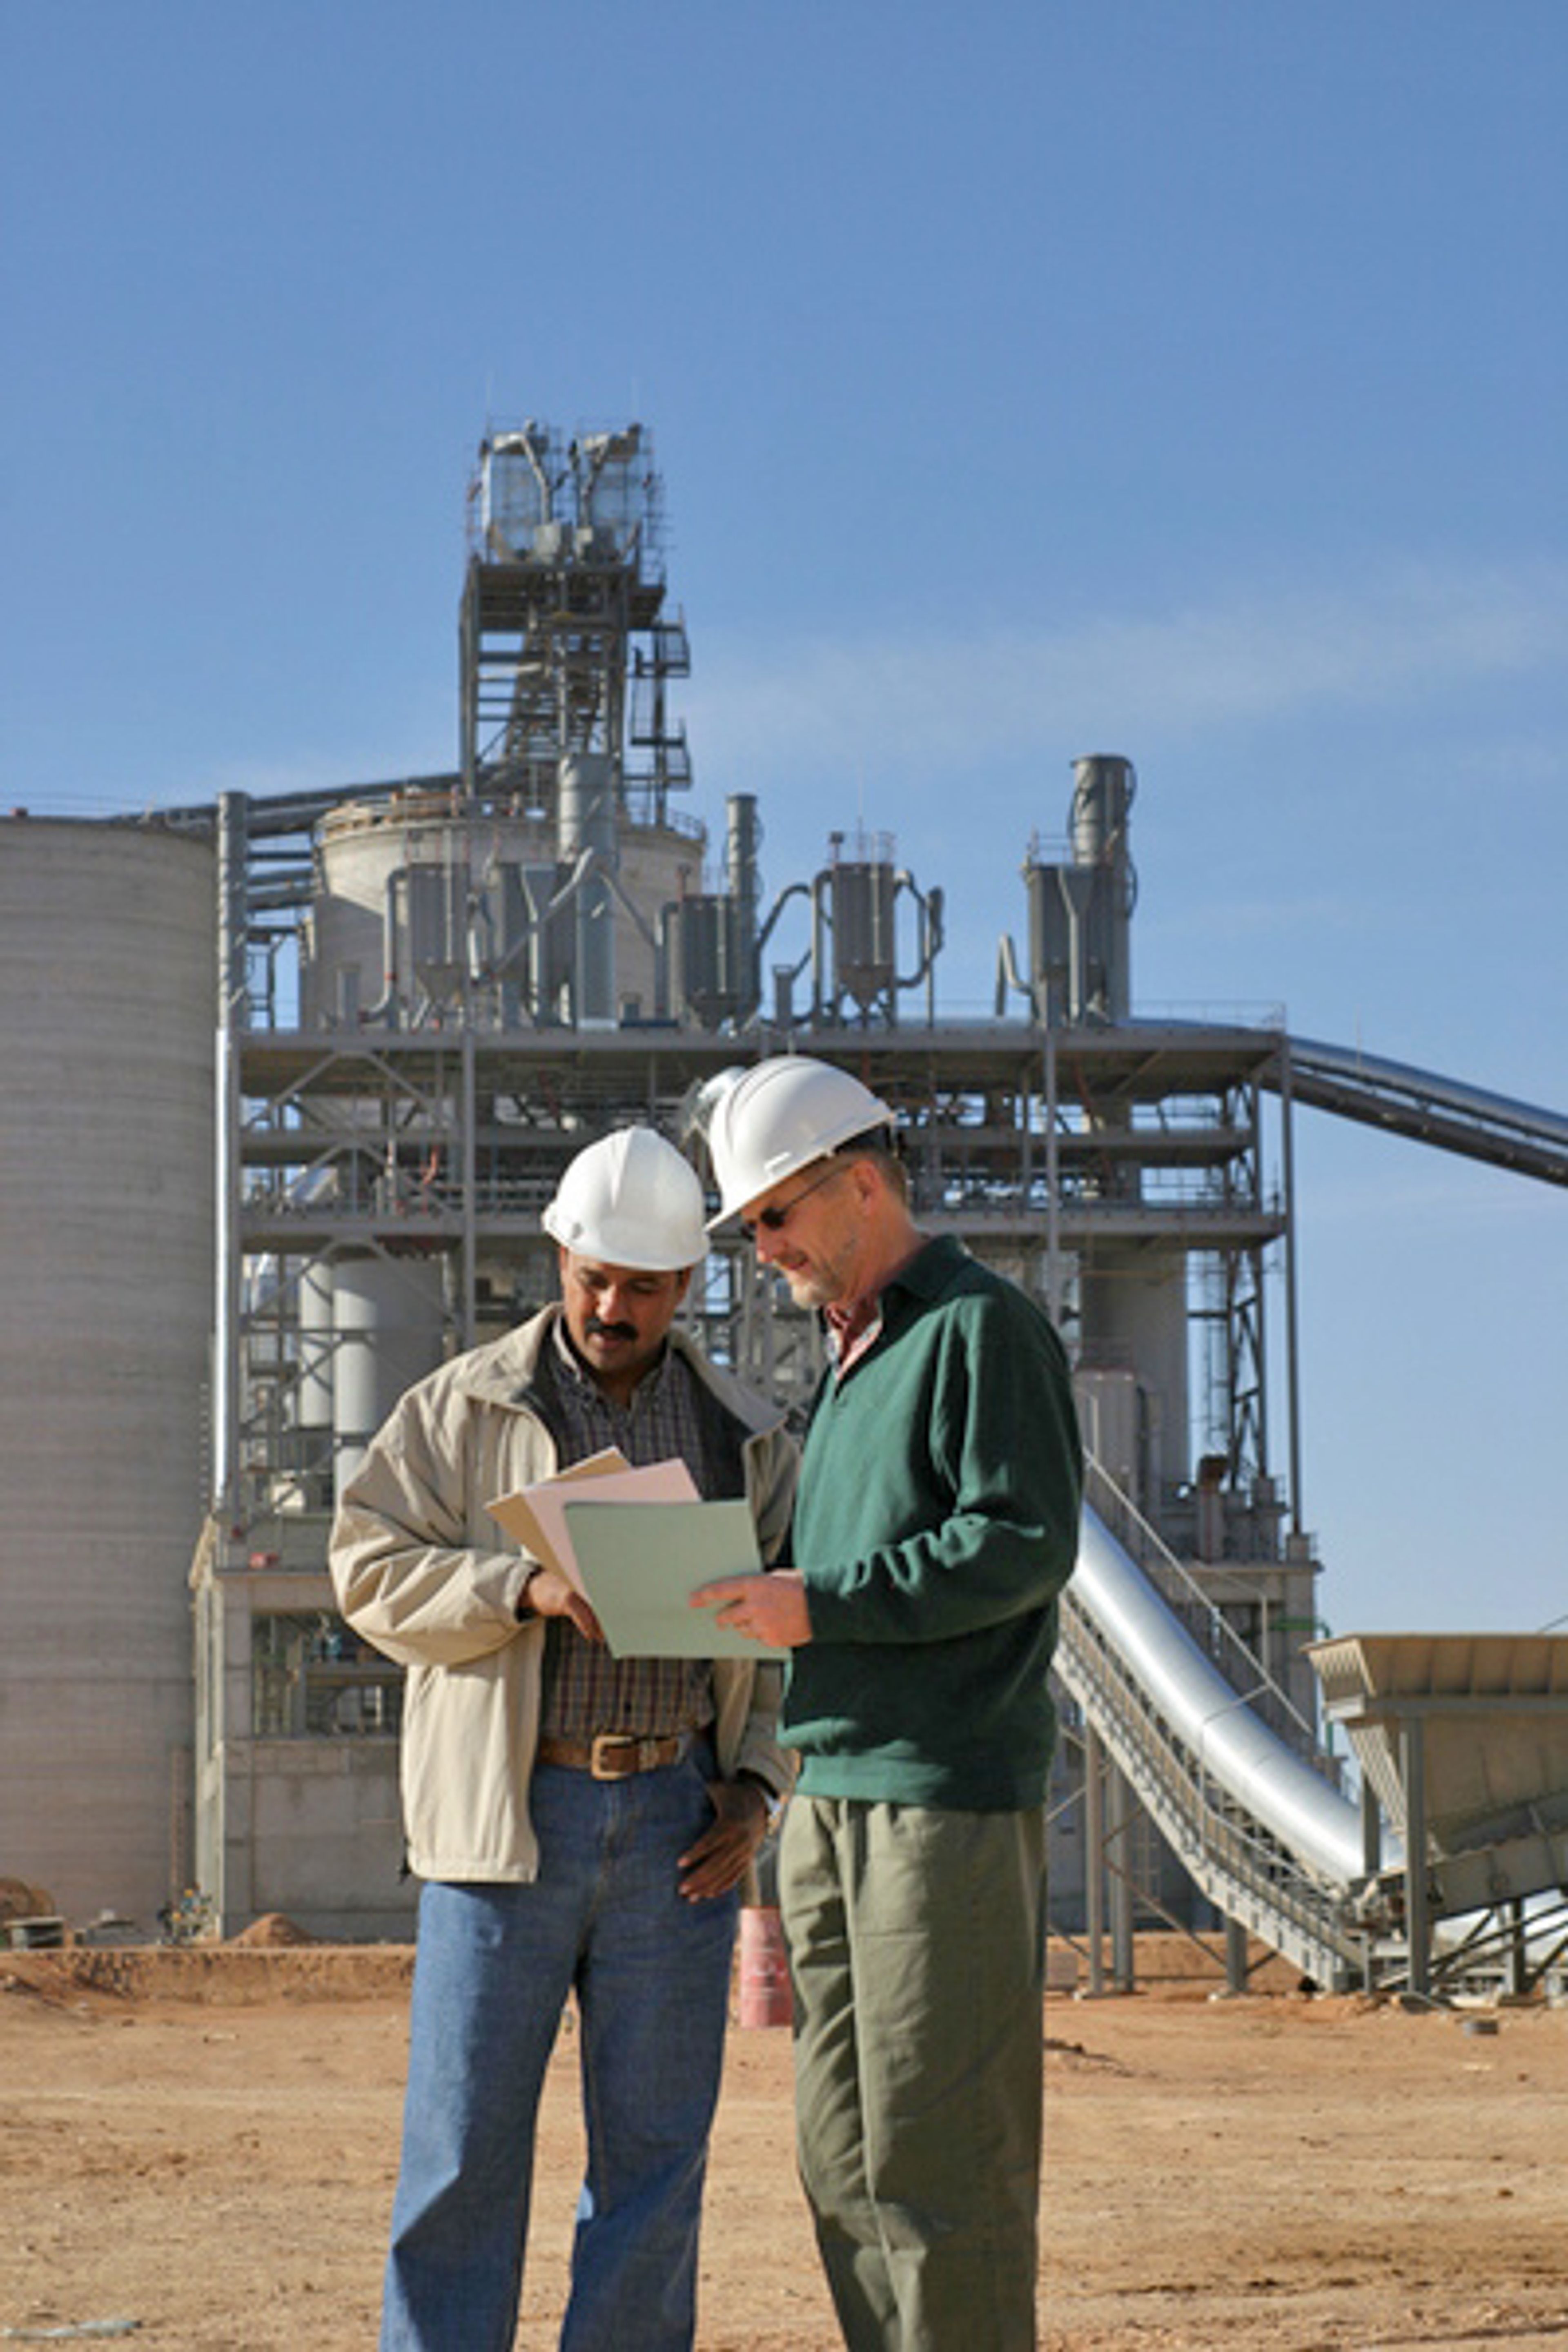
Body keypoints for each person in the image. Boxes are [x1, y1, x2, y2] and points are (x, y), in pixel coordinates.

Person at [331, 1126, 797, 2352]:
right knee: (461, 2157)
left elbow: (794, 1628)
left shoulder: (741, 1434)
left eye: (642, 1286)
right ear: (560, 1256)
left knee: (654, 2167)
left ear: (689, 1284)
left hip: (677, 1831)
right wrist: (518, 1592)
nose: (612, 1306)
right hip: (506, 1824)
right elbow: (365, 1567)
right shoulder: (465, 1406)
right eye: (594, 1276)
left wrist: (756, 1786)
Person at [693, 1055, 1082, 2352]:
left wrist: (826, 1604)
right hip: (833, 1798)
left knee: (941, 2165)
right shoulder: (852, 1364)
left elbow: (1023, 1542)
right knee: (843, 2160)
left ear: (862, 1184)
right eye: (752, 1226)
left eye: (776, 1216)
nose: (763, 1249)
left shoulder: (981, 1330)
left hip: (940, 1803)